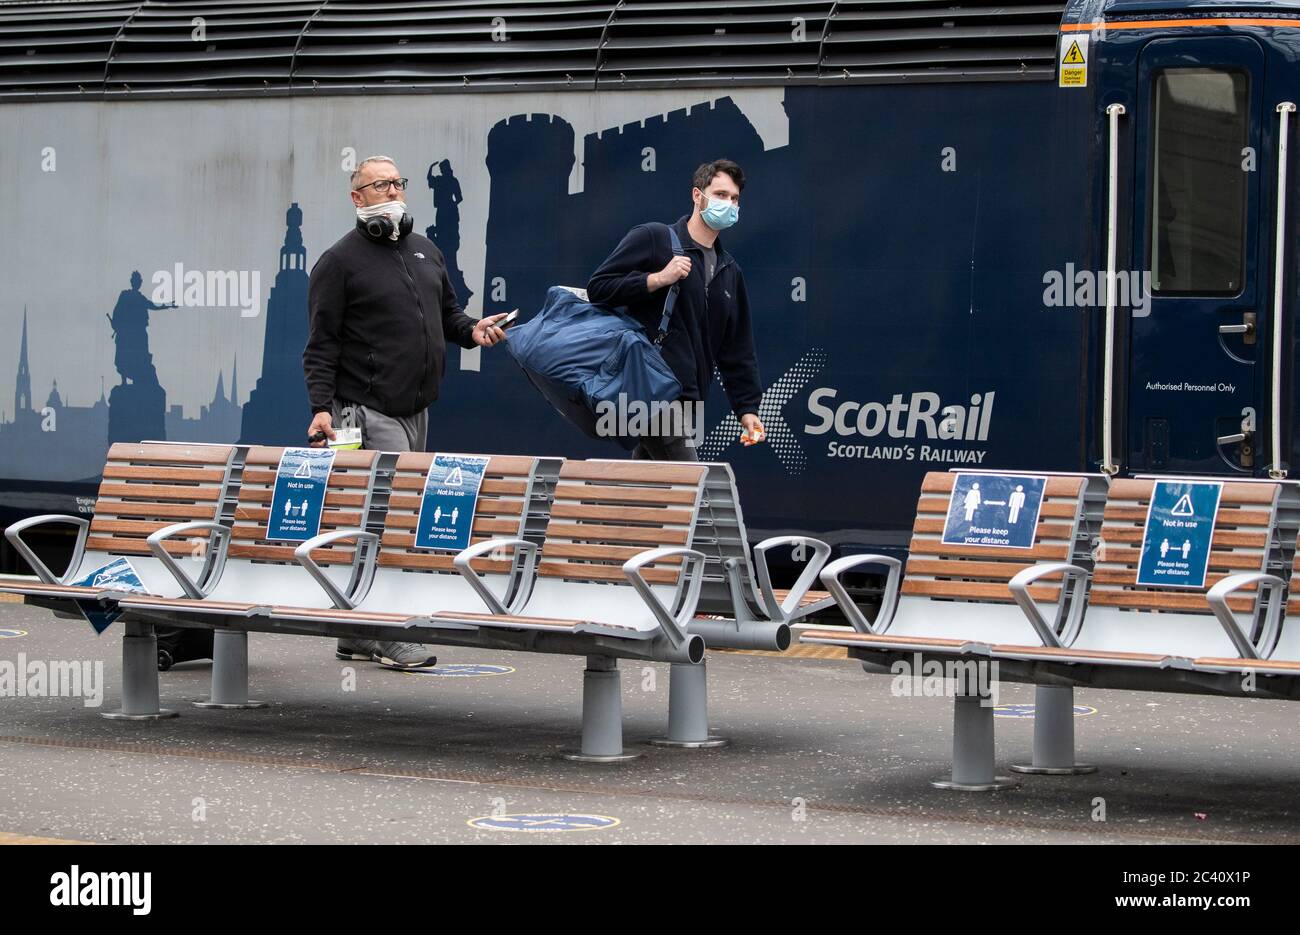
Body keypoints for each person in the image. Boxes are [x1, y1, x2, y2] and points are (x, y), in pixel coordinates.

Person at [303, 155, 509, 669]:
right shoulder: (338, 261)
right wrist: (321, 408)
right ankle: (385, 630)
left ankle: (354, 632)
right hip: (366, 411)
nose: (393, 191)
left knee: (388, 515)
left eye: (397, 182)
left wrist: (474, 330)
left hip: (417, 409)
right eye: (379, 185)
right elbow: (321, 344)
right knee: (389, 519)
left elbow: (448, 315)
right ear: (357, 198)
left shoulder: (425, 250)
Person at [586, 159, 765, 460]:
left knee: (651, 493)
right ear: (698, 195)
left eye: (734, 199)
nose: (729, 204)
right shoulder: (655, 238)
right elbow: (599, 288)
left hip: (689, 399)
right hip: (648, 389)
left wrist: (747, 410)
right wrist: (657, 279)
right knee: (687, 483)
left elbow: (737, 350)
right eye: (720, 195)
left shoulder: (730, 270)